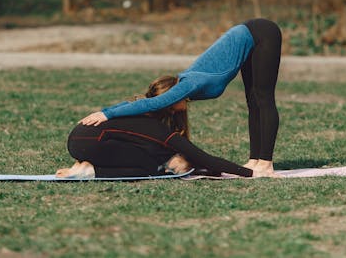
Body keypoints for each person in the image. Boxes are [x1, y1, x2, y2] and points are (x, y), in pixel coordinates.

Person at [79, 18, 282, 178]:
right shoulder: (185, 86)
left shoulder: (187, 85)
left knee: (263, 99)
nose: (173, 110)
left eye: (170, 106)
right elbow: (145, 100)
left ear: (172, 94)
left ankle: (266, 162)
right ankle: (255, 159)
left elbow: (152, 103)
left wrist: (107, 113)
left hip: (263, 33)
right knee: (253, 102)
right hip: (247, 37)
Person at [56, 76, 254, 178]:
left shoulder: (138, 110)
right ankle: (91, 171)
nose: (188, 98)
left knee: (149, 156)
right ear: (172, 99)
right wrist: (248, 172)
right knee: (153, 167)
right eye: (183, 95)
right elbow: (201, 156)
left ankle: (84, 165)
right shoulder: (152, 125)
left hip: (77, 140)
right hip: (94, 143)